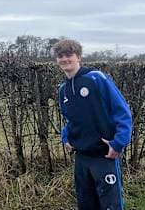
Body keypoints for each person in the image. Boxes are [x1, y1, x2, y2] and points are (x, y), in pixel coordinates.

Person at [54, 39, 132, 210]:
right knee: (86, 204)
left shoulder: (96, 78)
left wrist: (118, 143)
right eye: (60, 56)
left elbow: (122, 111)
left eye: (69, 54)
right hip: (81, 156)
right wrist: (66, 136)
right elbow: (71, 119)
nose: (65, 59)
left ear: (79, 57)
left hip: (104, 155)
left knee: (110, 205)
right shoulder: (63, 90)